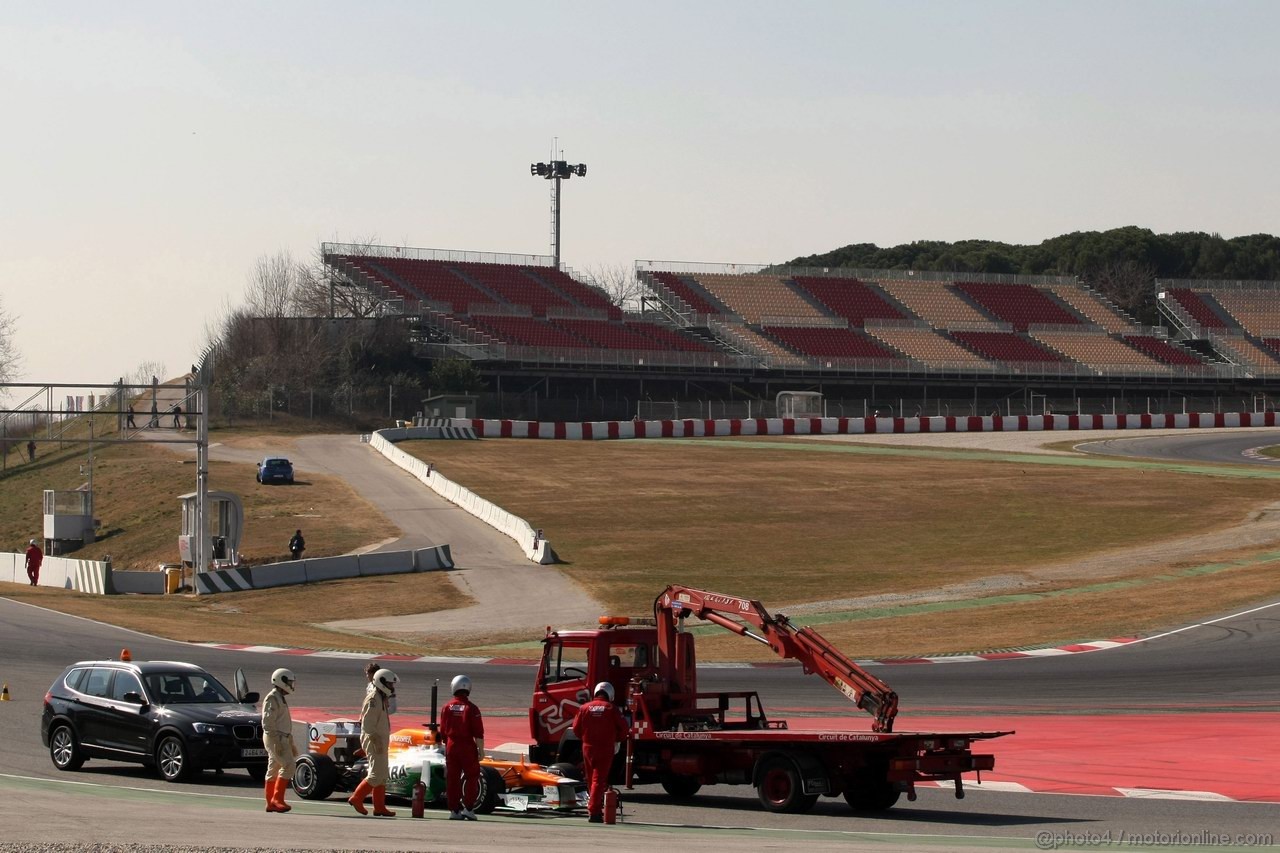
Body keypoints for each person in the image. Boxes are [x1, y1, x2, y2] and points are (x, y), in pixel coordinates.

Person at [572, 681, 630, 823]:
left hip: (588, 747)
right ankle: (594, 811)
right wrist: (617, 740)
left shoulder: (584, 708)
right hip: (604, 748)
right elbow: (624, 729)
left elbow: (575, 729)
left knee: (591, 779)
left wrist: (586, 739)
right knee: (599, 779)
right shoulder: (611, 708)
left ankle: (593, 806)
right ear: (610, 694)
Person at [349, 668, 398, 817]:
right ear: (382, 683)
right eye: (390, 684)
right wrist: (375, 740)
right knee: (376, 773)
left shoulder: (381, 698)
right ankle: (357, 797)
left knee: (382, 774)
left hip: (380, 739)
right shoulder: (373, 699)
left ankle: (379, 807)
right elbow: (368, 724)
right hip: (373, 739)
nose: (392, 687)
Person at [440, 674, 484, 821]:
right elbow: (478, 733)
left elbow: (443, 732)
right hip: (467, 746)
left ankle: (454, 810)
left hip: (451, 746)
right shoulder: (472, 708)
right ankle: (468, 808)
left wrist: (448, 746)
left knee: (452, 779)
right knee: (472, 776)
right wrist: (481, 750)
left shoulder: (446, 707)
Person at [261, 668, 299, 813]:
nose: (291, 685)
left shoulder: (279, 697)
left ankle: (270, 803)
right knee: (289, 765)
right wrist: (276, 741)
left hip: (281, 737)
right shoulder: (272, 698)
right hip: (275, 737)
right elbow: (268, 721)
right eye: (289, 682)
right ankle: (277, 799)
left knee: (274, 769)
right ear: (281, 681)